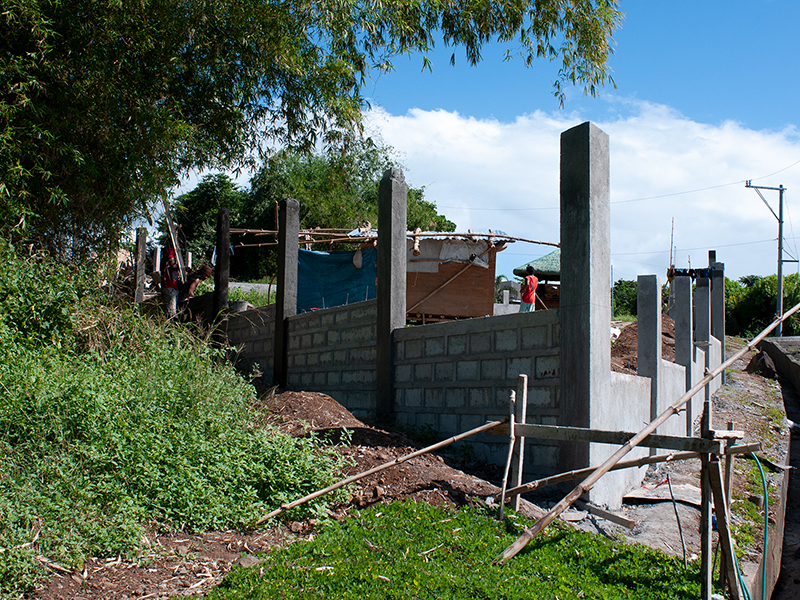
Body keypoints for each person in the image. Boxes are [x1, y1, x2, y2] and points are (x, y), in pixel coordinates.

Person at [160, 248, 182, 317]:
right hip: (169, 286)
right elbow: (172, 264)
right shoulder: (171, 251)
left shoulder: (175, 252)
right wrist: (182, 267)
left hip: (172, 286)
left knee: (170, 311)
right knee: (171, 314)